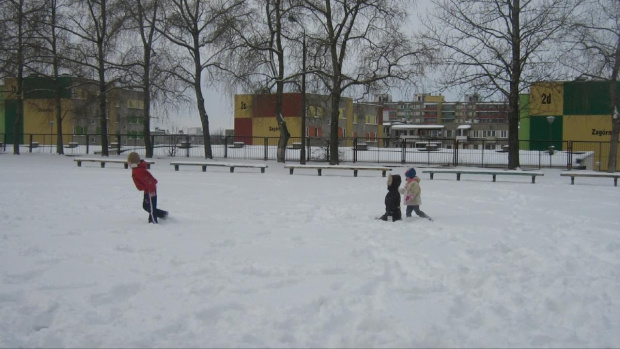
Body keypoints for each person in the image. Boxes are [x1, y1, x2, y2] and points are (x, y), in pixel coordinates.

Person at [127, 152, 168, 224]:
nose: (128, 164)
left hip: (150, 191)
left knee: (151, 207)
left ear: (132, 162)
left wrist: (152, 191)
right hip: (147, 190)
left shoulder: (139, 171)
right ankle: (163, 214)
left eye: (129, 162)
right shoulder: (136, 169)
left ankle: (153, 221)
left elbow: (149, 181)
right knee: (146, 206)